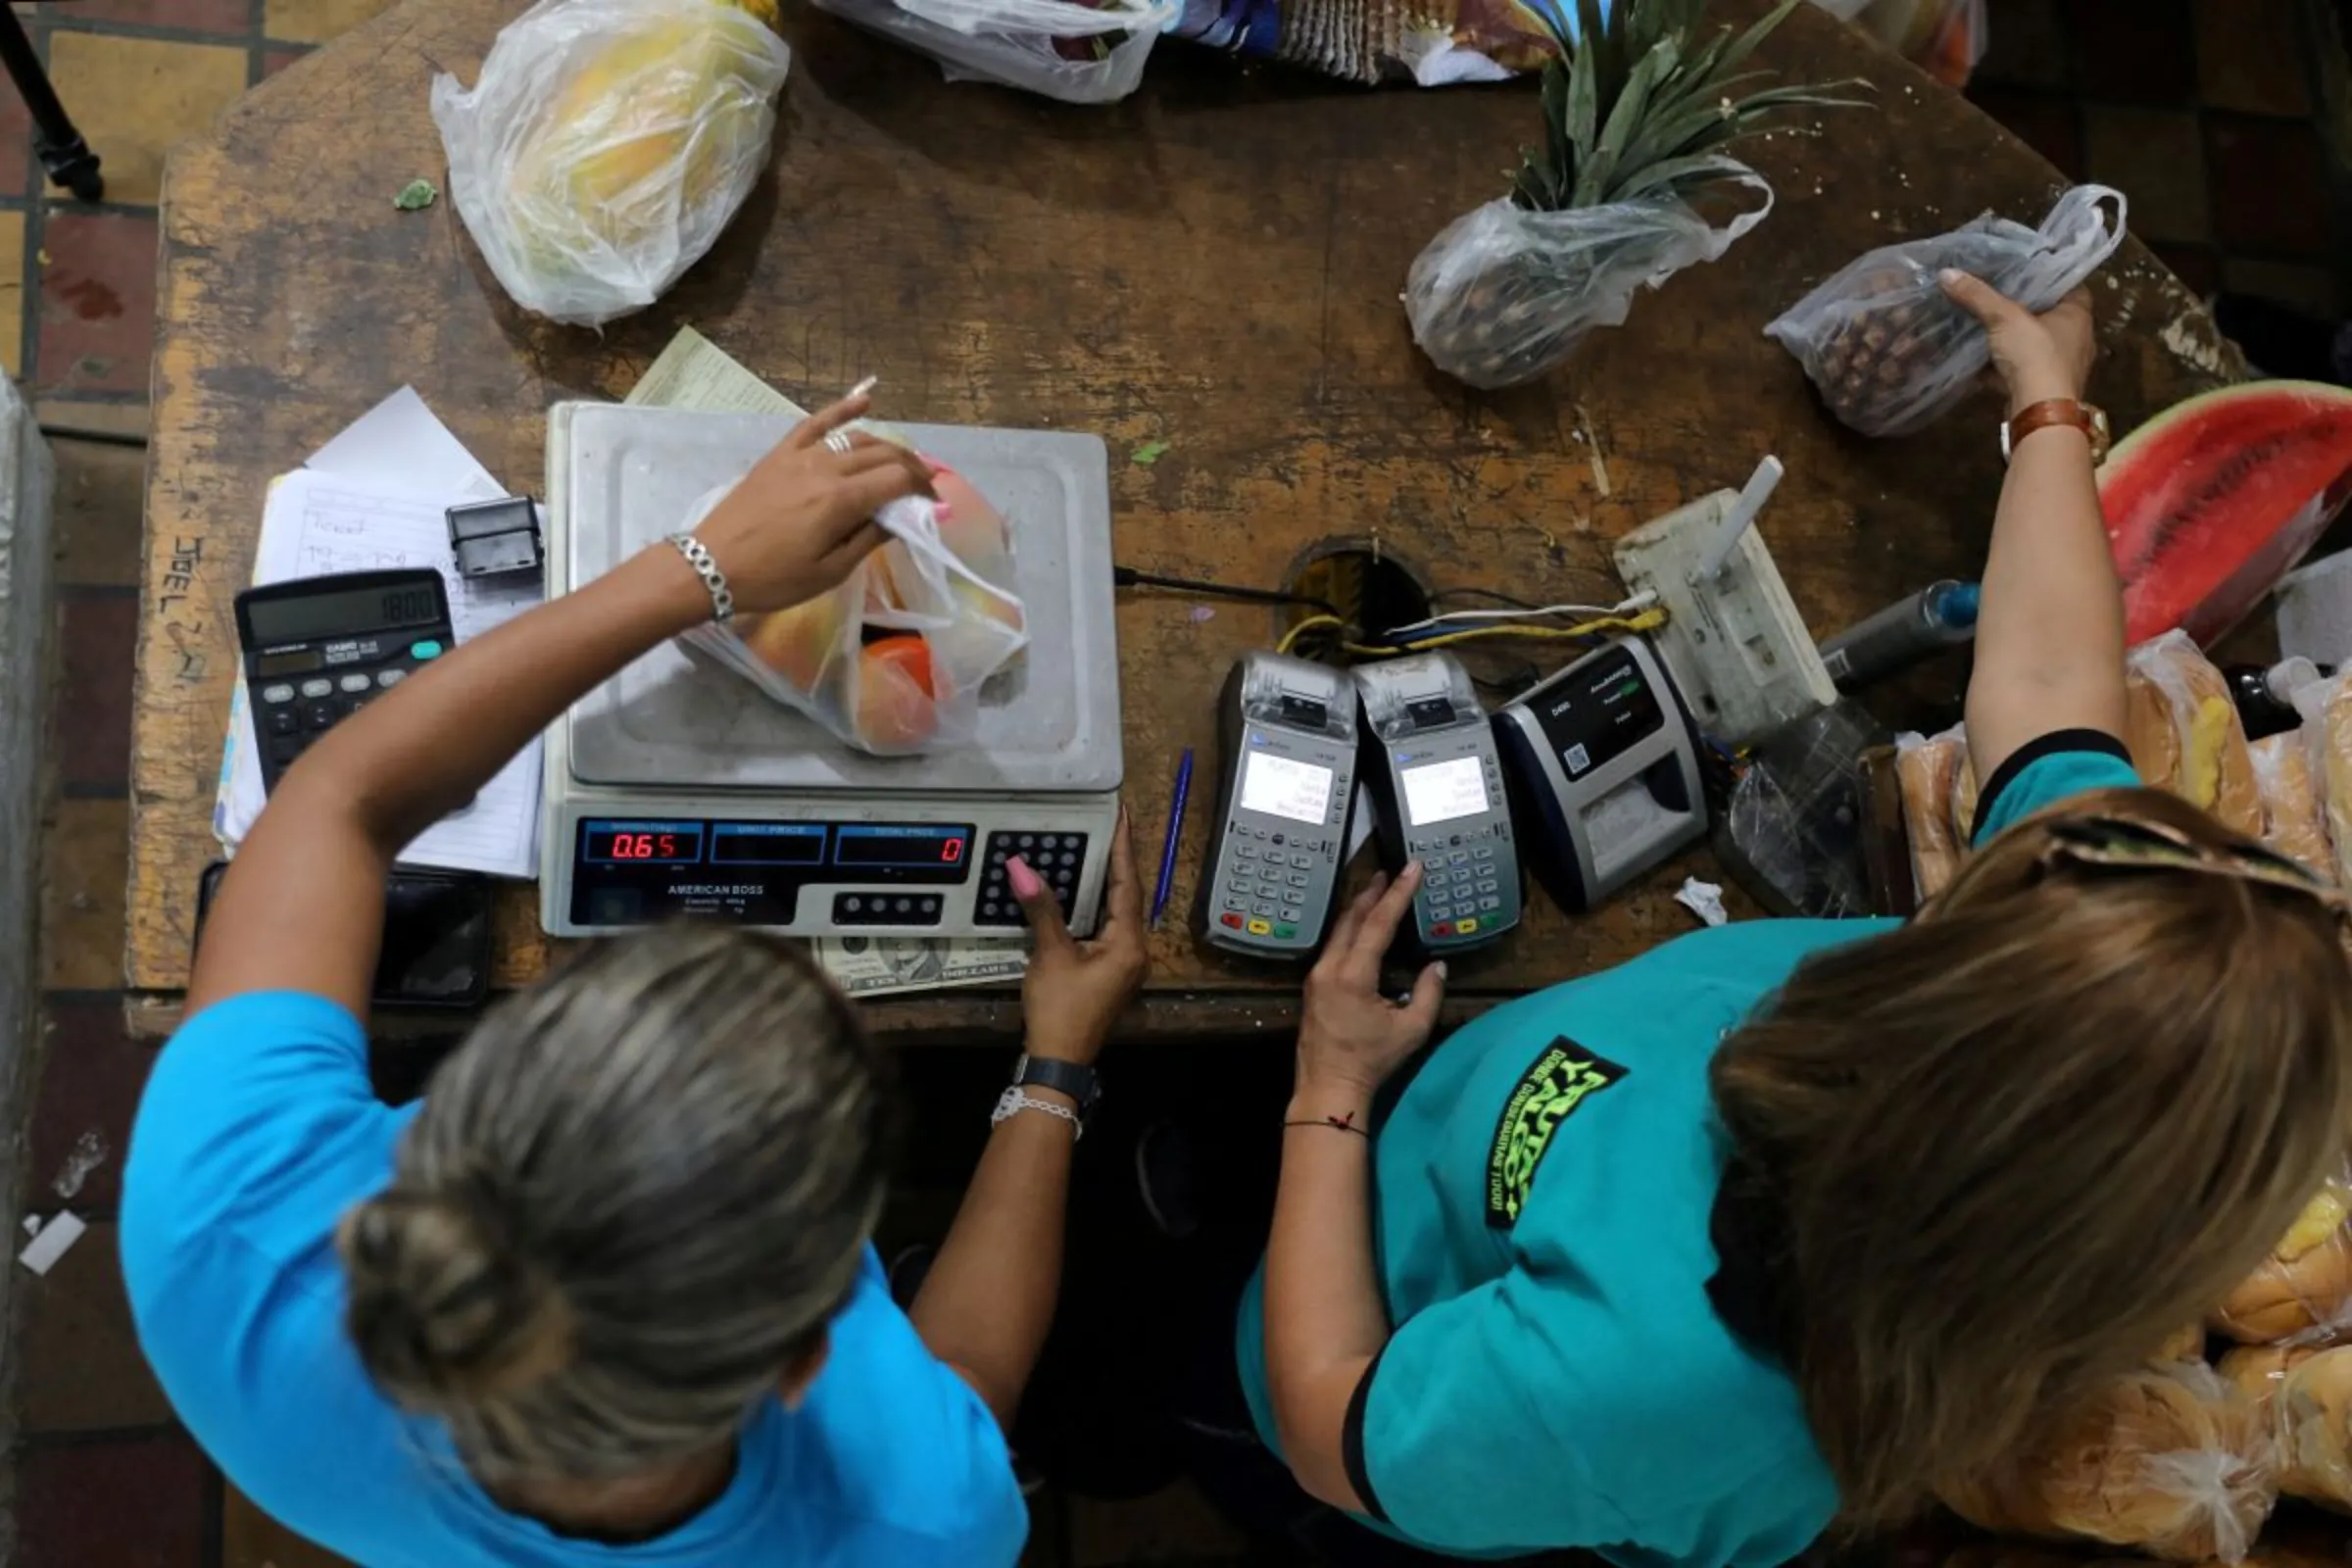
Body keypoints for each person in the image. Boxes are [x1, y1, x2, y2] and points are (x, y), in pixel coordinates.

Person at [1196, 272, 2352, 1564]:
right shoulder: (2034, 1064)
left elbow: (1332, 1421)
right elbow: (2044, 685)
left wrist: (1331, 1090)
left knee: (1214, 1422)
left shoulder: (1674, 1385)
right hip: (1412, 1154)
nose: (2040, 819)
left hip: (1335, 1353)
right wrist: (2046, 409)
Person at [119, 392, 1149, 1567]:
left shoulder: (216, 1238)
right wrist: (1055, 1066)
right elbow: (963, 1381)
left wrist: (702, 569)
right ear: (814, 1354)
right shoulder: (917, 1522)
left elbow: (335, 798)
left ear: (452, 1122)